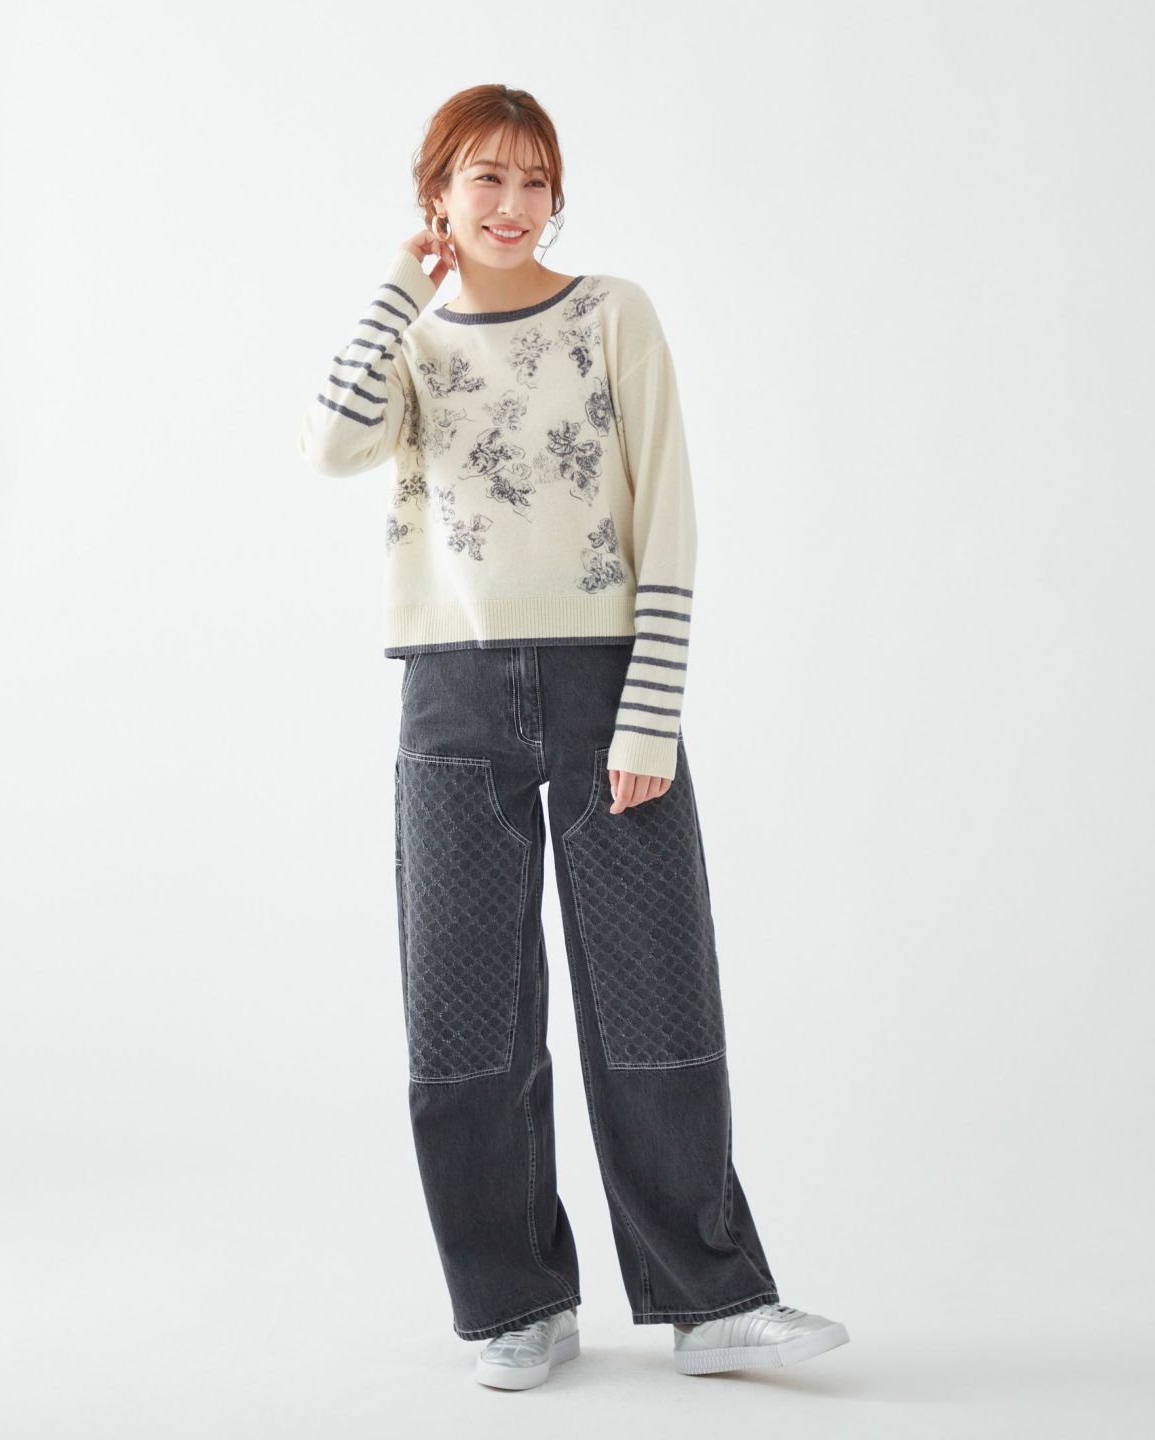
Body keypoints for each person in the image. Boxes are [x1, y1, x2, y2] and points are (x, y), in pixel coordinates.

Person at [298, 83, 849, 1391]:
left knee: (656, 993)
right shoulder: (415, 345)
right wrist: (402, 279)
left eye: (534, 180)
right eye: (483, 179)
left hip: (607, 685)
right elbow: (330, 445)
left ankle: (713, 1301)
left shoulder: (614, 313)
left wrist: (651, 708)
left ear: (558, 195)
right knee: (465, 1012)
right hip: (450, 691)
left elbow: (669, 514)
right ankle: (514, 1304)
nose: (512, 204)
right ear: (437, 196)